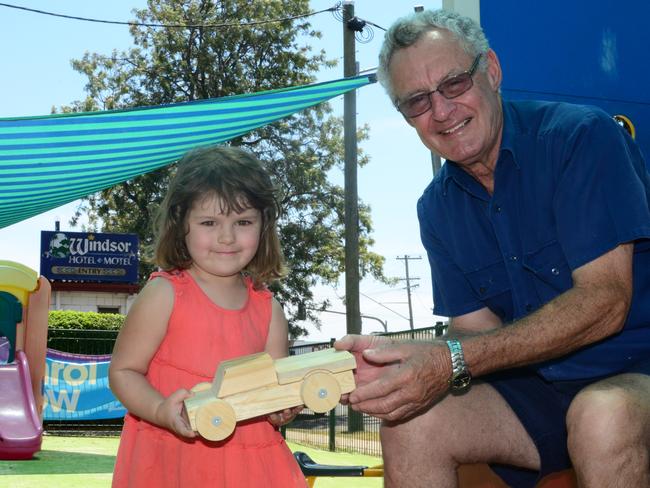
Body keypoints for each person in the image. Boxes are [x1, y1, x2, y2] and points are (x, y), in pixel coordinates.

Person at [335, 9, 650, 488]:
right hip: (537, 390)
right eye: (417, 101)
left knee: (601, 415)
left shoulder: (579, 137)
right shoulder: (435, 208)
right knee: (410, 424)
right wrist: (395, 366)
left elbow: (605, 302)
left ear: (493, 71)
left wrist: (450, 360)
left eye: (454, 84)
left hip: (636, 371)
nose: (441, 111)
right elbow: (475, 334)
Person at [109, 146, 306, 487]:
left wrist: (281, 409)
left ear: (264, 225)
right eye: (209, 222)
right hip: (171, 460)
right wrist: (160, 410)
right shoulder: (164, 294)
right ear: (181, 223)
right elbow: (124, 372)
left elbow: (274, 395)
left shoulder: (269, 310)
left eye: (243, 222)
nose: (226, 237)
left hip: (249, 467)